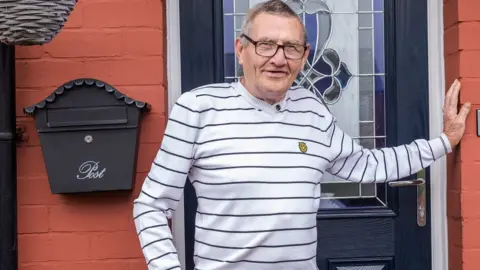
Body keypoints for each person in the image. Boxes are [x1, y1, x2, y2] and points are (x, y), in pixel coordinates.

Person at [132, 0, 471, 269]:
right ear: (241, 49)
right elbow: (151, 205)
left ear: (304, 55)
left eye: (291, 47)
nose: (278, 59)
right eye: (266, 45)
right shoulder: (198, 109)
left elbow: (367, 165)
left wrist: (443, 142)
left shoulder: (312, 110)